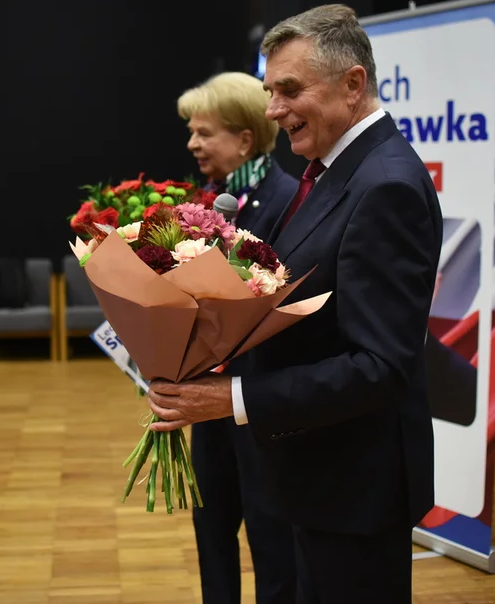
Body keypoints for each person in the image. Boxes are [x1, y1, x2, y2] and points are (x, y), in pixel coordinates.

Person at [147, 4, 443, 602]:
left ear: (352, 84)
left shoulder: (384, 185)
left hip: (354, 492)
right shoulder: (334, 170)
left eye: (289, 90)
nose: (274, 108)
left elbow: (380, 367)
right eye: (269, 91)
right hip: (318, 478)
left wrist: (229, 398)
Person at [177, 72, 299, 604]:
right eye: (192, 132)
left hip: (260, 406)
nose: (192, 144)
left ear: (245, 140)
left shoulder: (289, 200)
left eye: (204, 133)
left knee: (272, 543)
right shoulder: (209, 200)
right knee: (212, 532)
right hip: (208, 404)